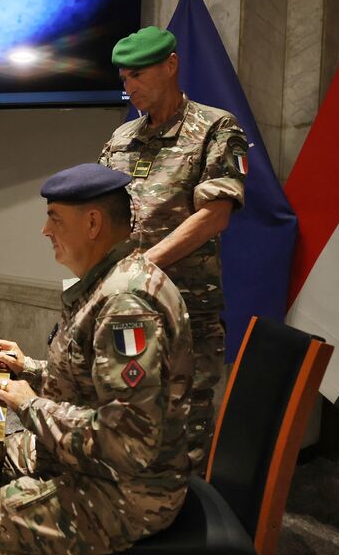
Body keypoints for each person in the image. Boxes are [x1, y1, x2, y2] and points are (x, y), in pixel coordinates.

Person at [0, 163, 193, 555]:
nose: (44, 231)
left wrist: (27, 403)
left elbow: (127, 442)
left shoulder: (126, 304)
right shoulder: (109, 279)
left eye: (54, 219)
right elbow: (92, 379)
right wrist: (29, 368)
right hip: (93, 464)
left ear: (92, 223)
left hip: (127, 492)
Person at [98, 26, 248, 473]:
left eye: (138, 75)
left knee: (186, 434)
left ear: (171, 65)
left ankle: (194, 533)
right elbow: (102, 219)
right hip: (126, 311)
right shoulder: (122, 138)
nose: (131, 87)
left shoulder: (215, 128)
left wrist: (143, 265)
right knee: (125, 419)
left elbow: (216, 213)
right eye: (124, 78)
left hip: (186, 312)